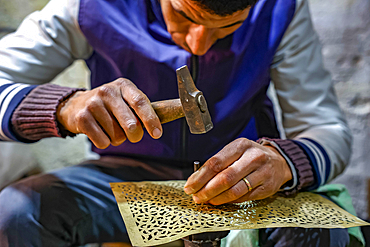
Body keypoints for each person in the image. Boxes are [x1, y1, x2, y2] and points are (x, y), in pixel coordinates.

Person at [0, 0, 358, 246]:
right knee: (16, 212)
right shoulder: (90, 6)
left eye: (229, 27)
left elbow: (325, 126)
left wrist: (284, 162)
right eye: (183, 15)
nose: (198, 44)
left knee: (322, 234)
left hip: (243, 185)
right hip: (123, 177)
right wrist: (64, 106)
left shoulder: (279, 8)